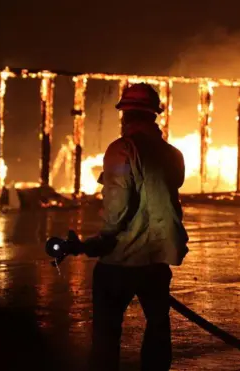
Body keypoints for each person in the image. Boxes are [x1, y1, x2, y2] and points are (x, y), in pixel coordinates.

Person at [70, 83, 188, 371]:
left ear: (125, 115)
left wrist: (101, 239)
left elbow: (118, 206)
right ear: (153, 116)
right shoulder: (173, 154)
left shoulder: (122, 149)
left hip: (121, 260)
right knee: (158, 328)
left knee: (107, 335)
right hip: (157, 260)